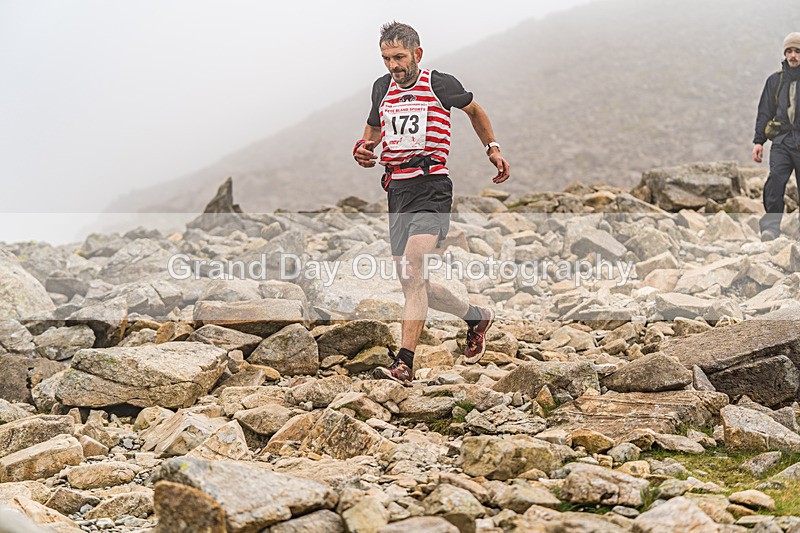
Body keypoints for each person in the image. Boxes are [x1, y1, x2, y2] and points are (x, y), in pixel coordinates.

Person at [353, 21, 510, 384]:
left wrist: (493, 149)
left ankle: (404, 362)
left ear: (417, 54)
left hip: (433, 185)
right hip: (398, 190)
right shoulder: (381, 88)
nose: (393, 65)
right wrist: (363, 150)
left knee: (413, 260)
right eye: (386, 58)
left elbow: (475, 111)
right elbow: (371, 134)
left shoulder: (440, 83)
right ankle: (475, 316)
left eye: (399, 57)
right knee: (413, 282)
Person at [754, 32, 800, 242]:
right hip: (781, 141)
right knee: (775, 182)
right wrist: (758, 142)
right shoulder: (775, 81)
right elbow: (765, 112)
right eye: (789, 51)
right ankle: (771, 229)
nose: (793, 55)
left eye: (797, 51)